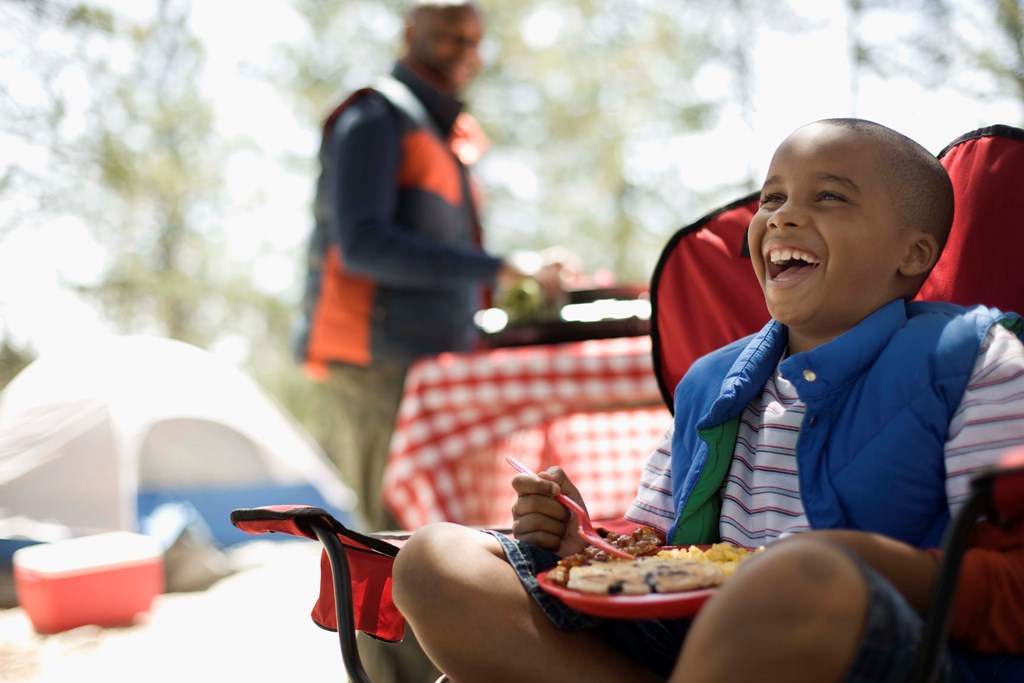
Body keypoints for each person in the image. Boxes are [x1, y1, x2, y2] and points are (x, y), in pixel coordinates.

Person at [390, 118, 1024, 682]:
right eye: (772, 197)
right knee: (436, 561)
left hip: (870, 642)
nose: (782, 216)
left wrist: (860, 565)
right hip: (691, 637)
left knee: (802, 575)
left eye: (828, 197)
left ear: (913, 252)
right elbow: (657, 549)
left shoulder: (973, 360)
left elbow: (1015, 593)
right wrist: (582, 543)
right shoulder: (710, 383)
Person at [294, 2, 555, 681]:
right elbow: (363, 243)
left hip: (438, 367)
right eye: (448, 30)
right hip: (377, 360)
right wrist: (497, 266)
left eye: (474, 35)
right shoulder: (375, 116)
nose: (464, 45)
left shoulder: (449, 137)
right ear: (411, 30)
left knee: (441, 535)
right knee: (387, 539)